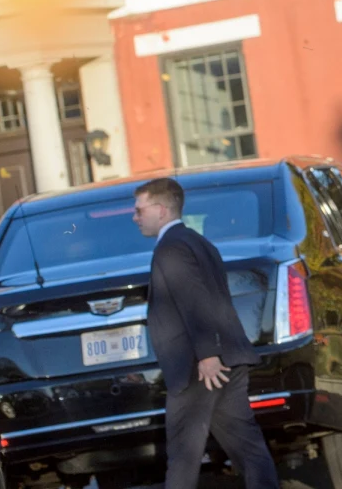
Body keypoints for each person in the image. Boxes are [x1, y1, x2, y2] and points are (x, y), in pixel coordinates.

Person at [133, 177, 280, 489]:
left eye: (139, 210)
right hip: (227, 359)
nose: (135, 217)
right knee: (248, 449)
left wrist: (208, 355)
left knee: (183, 457)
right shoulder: (200, 243)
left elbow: (194, 301)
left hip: (199, 368)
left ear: (160, 210)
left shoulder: (170, 249)